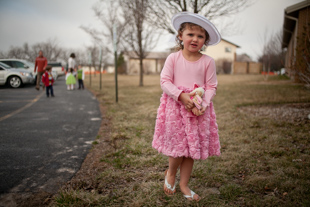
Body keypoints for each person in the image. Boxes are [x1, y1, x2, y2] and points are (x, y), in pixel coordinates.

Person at [152, 12, 221, 201]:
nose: (195, 39)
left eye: (200, 36)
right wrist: (181, 96)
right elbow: (165, 81)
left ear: (205, 41)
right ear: (180, 35)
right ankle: (171, 172)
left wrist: (204, 105)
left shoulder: (208, 62)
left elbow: (211, 86)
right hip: (176, 108)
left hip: (197, 111)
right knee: (177, 147)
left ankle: (184, 184)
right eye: (190, 34)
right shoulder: (173, 59)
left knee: (191, 150)